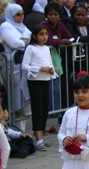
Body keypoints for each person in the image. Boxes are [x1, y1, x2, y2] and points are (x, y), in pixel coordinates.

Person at [0, 4, 32, 131]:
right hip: (11, 65)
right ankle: (15, 128)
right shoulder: (6, 26)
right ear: (11, 15)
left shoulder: (23, 27)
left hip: (22, 65)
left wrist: (24, 43)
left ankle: (20, 130)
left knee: (23, 96)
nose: (21, 17)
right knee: (15, 96)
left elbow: (29, 39)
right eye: (18, 14)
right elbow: (14, 43)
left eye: (22, 13)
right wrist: (25, 43)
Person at [22, 24, 56, 152]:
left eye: (46, 34)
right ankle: (38, 138)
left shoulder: (47, 48)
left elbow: (49, 63)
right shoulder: (31, 48)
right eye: (41, 34)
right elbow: (24, 66)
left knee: (44, 107)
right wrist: (40, 68)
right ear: (35, 36)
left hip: (45, 79)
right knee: (37, 108)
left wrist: (51, 70)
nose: (44, 37)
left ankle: (41, 136)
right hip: (35, 80)